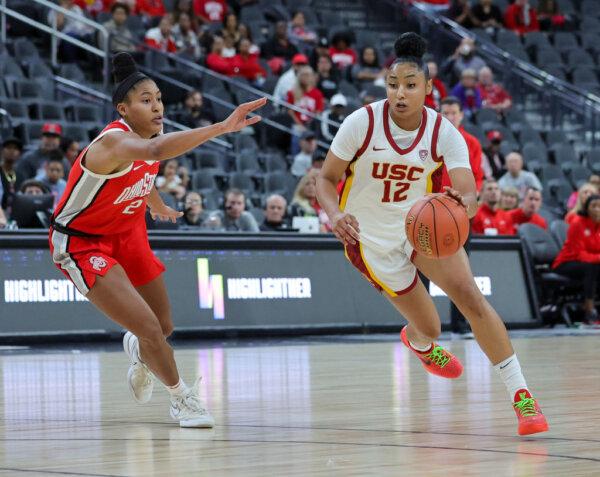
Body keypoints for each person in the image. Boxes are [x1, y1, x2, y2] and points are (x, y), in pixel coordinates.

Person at [316, 32, 547, 436]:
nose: (399, 93)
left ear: (427, 88)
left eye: (409, 85)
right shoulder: (362, 122)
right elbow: (325, 179)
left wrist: (462, 203)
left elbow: (468, 191)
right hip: (369, 239)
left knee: (472, 298)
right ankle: (420, 343)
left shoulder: (444, 132)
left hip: (420, 226)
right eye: (392, 85)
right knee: (432, 328)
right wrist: (334, 213)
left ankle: (523, 398)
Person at [48, 52, 266, 428]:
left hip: (128, 231)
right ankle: (183, 399)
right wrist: (221, 127)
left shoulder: (151, 134)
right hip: (83, 242)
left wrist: (158, 202)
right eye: (146, 100)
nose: (157, 107)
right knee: (150, 328)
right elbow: (149, 154)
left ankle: (137, 347)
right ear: (124, 109)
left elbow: (143, 171)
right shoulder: (112, 144)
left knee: (163, 327)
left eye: (159, 98)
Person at [553, 194, 600, 324]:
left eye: (599, 206)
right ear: (586, 208)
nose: (597, 209)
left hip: (589, 264)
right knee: (591, 267)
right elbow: (580, 255)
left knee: (593, 266)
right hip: (565, 263)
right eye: (594, 206)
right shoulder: (577, 223)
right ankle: (589, 308)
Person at [440, 96, 484, 192]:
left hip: (461, 200)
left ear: (461, 115)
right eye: (446, 113)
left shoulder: (473, 143)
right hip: (432, 199)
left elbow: (477, 176)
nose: (450, 117)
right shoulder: (428, 140)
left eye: (454, 113)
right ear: (439, 115)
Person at [0, 138, 24, 213]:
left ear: (19, 154)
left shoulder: (21, 175)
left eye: (15, 148)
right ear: (2, 151)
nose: (12, 151)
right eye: (8, 147)